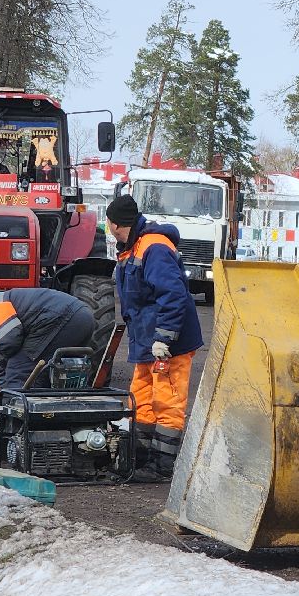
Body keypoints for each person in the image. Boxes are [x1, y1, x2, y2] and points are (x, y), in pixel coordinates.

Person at [106, 193, 203, 481]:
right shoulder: (134, 247)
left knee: (168, 400)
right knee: (142, 398)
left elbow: (173, 295)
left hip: (167, 343)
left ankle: (163, 466)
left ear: (114, 225)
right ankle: (142, 458)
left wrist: (165, 338)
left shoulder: (153, 247)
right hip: (149, 340)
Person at [0, 287, 96, 393]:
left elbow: (10, 341)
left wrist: (8, 386)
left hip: (60, 317)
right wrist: (3, 386)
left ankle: (16, 420)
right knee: (55, 375)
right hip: (83, 316)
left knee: (19, 372)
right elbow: (2, 360)